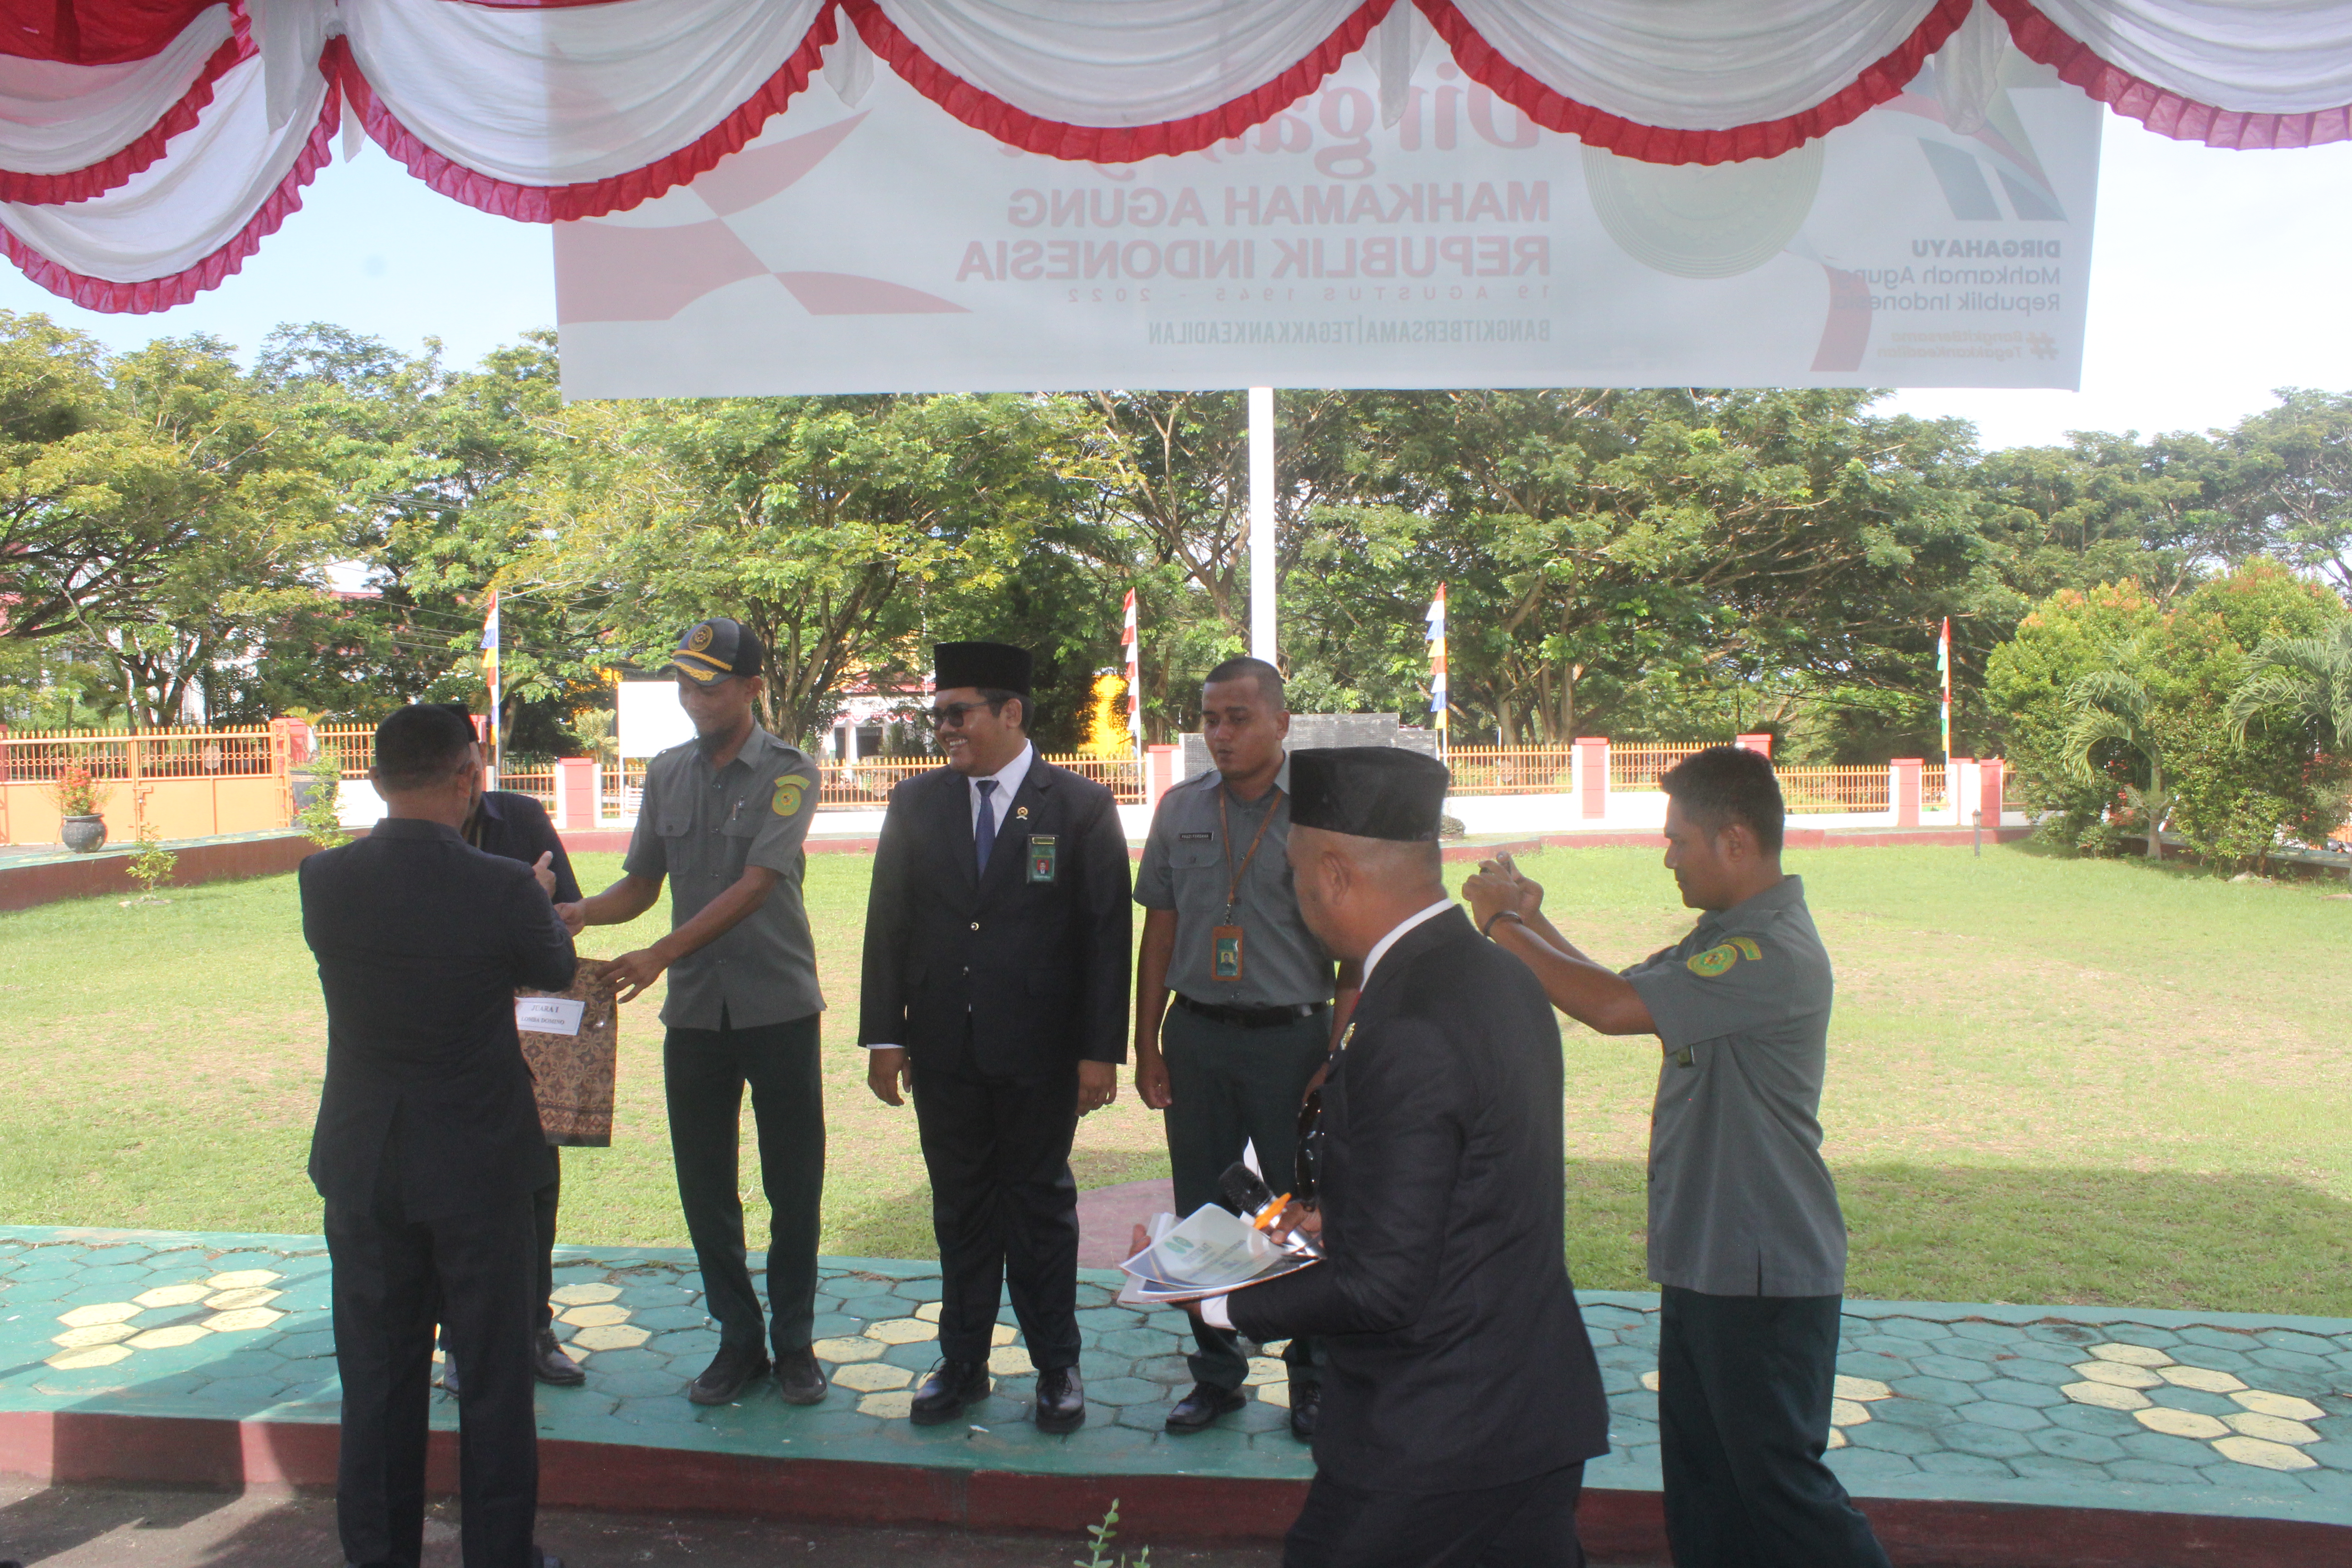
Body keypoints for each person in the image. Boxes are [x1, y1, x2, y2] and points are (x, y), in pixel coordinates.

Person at [1461, 745, 1891, 1568]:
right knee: (1704, 1483)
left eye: (1678, 840)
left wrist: (1500, 921)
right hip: (1713, 1255)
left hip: (1762, 1267)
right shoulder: (1726, 937)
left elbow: (1613, 1009)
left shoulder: (1769, 954)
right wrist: (1532, 918)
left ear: (1734, 841)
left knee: (1775, 1485)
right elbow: (1618, 987)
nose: (1667, 858)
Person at [1200, 747, 1609, 1568]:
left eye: (1295, 870)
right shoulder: (1496, 974)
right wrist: (1331, 1217)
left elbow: (1383, 1286)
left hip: (1436, 1435)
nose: (1295, 889)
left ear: (1338, 872)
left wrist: (1212, 1303)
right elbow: (1473, 1186)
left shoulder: (1408, 1020)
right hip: (1526, 1407)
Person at [301, 703, 572, 1568]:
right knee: (494, 1384)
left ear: (376, 782)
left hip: (366, 1159)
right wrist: (531, 898)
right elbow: (554, 970)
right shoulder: (499, 887)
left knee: (377, 1386)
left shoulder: (324, 880)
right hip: (481, 1163)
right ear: (470, 778)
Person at [859, 641, 1131, 1435]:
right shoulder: (917, 804)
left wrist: (1097, 1052)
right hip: (944, 1049)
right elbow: (890, 925)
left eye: (958, 712)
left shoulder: (1079, 807)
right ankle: (963, 1362)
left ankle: (1057, 1367)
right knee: (961, 1208)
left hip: (1041, 1054)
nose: (943, 728)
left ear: (1011, 713)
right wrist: (885, 1036)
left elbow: (1106, 937)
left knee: (1040, 1208)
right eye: (935, 714)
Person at [557, 617, 828, 1409]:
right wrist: (577, 913)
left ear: (751, 688)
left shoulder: (789, 771)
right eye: (684, 682)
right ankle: (738, 1340)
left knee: (794, 1183)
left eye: (710, 684)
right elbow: (641, 883)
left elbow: (758, 883)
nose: (694, 697)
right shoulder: (667, 774)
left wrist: (659, 954)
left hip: (778, 1006)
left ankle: (798, 1343)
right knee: (705, 1184)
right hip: (696, 1018)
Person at [1132, 657, 1354, 1440]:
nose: (1220, 734)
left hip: (1291, 1041)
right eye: (1210, 719)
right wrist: (1146, 1039)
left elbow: (1356, 952)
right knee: (1204, 1209)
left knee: (1296, 1214)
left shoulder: (1320, 816)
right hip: (1195, 1037)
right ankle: (1217, 1375)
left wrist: (1337, 1052)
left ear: (1282, 722)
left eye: (1238, 718)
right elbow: (1159, 925)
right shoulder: (1181, 808)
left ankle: (1313, 1376)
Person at [429, 705, 586, 1394]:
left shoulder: (520, 821)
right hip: (444, 1049)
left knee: (536, 1189)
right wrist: (523, 905)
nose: (470, 778)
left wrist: (537, 909)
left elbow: (563, 924)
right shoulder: (409, 838)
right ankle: (461, 1340)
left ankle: (534, 1327)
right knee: (455, 1198)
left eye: (476, 761)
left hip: (529, 1036)